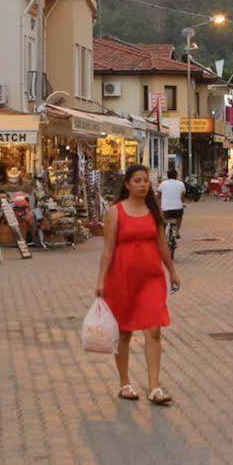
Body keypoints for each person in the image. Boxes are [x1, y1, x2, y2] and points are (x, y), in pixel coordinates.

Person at [96, 165, 180, 404]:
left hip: (151, 278)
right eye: (137, 181)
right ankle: (125, 383)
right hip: (122, 278)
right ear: (127, 185)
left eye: (146, 181)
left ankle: (154, 387)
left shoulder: (154, 212)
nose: (143, 185)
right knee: (124, 332)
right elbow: (108, 249)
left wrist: (172, 271)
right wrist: (101, 279)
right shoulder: (115, 212)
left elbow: (162, 245)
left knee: (154, 329)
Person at [156, 167, 187, 242]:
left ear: (167, 176)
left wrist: (159, 202)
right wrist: (182, 202)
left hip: (165, 209)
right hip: (177, 209)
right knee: (179, 217)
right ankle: (176, 231)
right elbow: (182, 196)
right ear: (176, 176)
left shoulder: (163, 183)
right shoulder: (180, 183)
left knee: (164, 222)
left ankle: (162, 235)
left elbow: (159, 194)